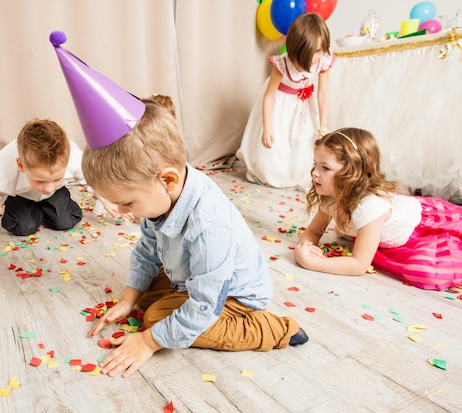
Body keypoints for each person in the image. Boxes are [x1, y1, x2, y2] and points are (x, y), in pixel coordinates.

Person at [83, 100, 308, 378]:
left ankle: (273, 329)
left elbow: (204, 304)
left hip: (233, 295)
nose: (120, 212)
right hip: (193, 274)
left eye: (127, 203)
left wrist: (148, 341)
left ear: (168, 180)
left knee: (156, 320)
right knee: (145, 296)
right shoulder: (164, 193)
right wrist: (129, 300)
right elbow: (147, 251)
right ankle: (167, 303)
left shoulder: (208, 228)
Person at [294, 127, 462, 291]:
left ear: (352, 173)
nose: (315, 173)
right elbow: (315, 231)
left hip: (420, 229)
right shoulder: (332, 196)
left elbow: (359, 264)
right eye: (315, 165)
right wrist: (306, 247)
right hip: (389, 215)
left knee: (427, 270)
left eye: (325, 168)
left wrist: (312, 262)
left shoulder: (369, 207)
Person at [0, 119, 120, 253]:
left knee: (65, 221)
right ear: (21, 165)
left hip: (56, 197)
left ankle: (52, 206)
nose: (48, 187)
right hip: (21, 196)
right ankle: (27, 209)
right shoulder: (2, 173)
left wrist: (107, 200)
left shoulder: (73, 158)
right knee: (23, 227)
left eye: (56, 178)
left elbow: (91, 178)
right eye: (40, 181)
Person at [237, 12, 334, 191]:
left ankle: (295, 171)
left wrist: (323, 124)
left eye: (318, 51)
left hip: (303, 103)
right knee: (277, 141)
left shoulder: (323, 60)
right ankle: (274, 170)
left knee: (305, 139)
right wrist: (266, 128)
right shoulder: (283, 64)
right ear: (297, 49)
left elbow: (323, 93)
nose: (314, 57)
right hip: (280, 103)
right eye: (310, 52)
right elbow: (269, 96)